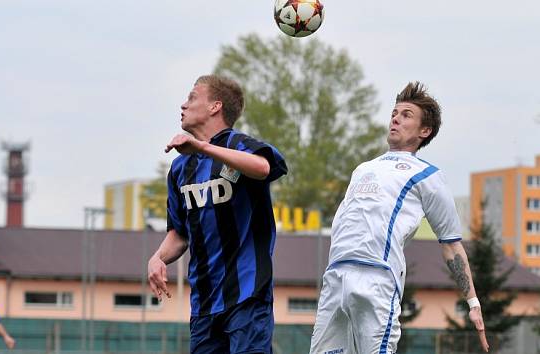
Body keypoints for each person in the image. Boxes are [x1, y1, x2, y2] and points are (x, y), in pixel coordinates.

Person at [310, 82, 489, 353]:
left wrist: (473, 303)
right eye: (394, 112)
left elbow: (451, 244)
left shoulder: (428, 176)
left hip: (377, 280)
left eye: (406, 115)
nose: (395, 118)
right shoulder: (363, 169)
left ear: (424, 131)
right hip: (335, 276)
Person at [148, 74, 287, 354]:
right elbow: (179, 233)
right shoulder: (179, 169)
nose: (183, 105)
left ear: (215, 107)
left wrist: (203, 147)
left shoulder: (239, 145)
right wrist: (157, 257)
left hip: (247, 294)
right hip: (204, 303)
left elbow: (263, 168)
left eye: (192, 97)